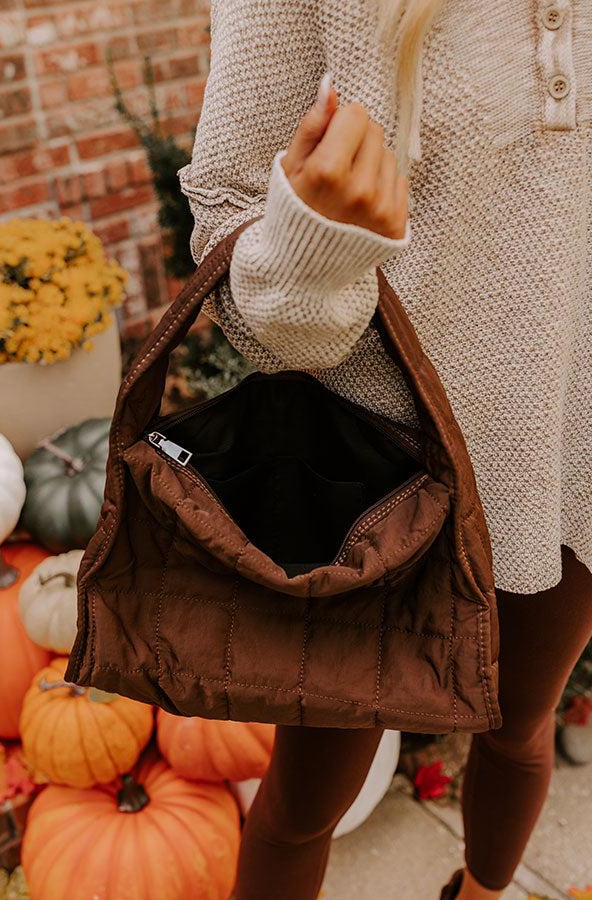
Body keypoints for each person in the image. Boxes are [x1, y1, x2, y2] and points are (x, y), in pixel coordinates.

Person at [177, 1, 592, 897]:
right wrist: (310, 244)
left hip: (580, 451)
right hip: (379, 469)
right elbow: (223, 221)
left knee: (520, 729)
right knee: (305, 802)